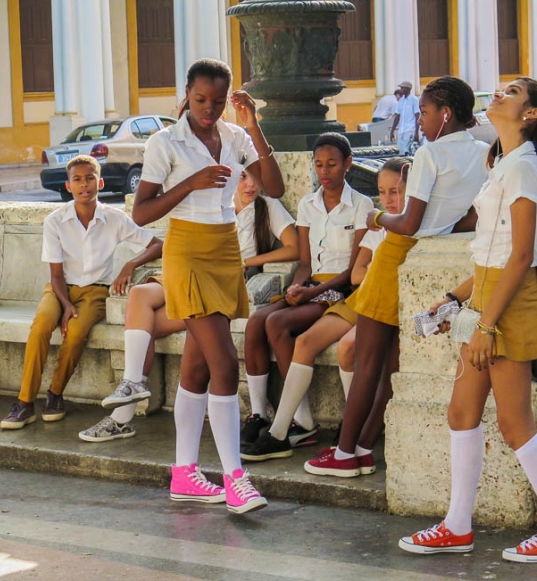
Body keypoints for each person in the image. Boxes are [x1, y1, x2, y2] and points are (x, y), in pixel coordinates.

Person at [398, 78, 537, 564]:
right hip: (486, 299)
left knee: (515, 422)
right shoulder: (499, 162)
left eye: (514, 91)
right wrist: (448, 301)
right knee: (462, 414)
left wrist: (484, 325)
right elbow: (489, 254)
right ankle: (457, 526)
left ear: (532, 114)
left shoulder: (526, 168)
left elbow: (522, 256)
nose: (500, 93)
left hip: (508, 305)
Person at [305, 76, 489, 478]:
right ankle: (364, 448)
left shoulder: (430, 155)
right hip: (434, 254)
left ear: (445, 114)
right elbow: (474, 216)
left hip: (395, 256)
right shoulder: (483, 151)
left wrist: (375, 216)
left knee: (368, 361)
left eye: (424, 112)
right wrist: (441, 228)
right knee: (390, 364)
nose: (419, 120)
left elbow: (406, 222)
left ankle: (343, 454)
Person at [132, 58, 284, 515]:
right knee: (224, 362)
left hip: (223, 250)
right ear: (187, 93)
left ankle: (184, 474)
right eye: (201, 100)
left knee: (197, 368)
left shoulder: (235, 137)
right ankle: (236, 478)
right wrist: (191, 183)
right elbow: (142, 213)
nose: (209, 109)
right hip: (186, 251)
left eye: (218, 101)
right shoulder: (166, 141)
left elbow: (273, 186)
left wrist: (253, 126)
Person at [78, 170, 298, 442]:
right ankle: (132, 386)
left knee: (143, 328)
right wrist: (133, 263)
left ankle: (122, 417)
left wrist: (248, 262)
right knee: (139, 296)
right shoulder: (216, 202)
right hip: (187, 275)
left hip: (218, 288)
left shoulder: (267, 208)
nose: (250, 184)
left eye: (255, 177)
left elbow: (293, 248)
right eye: (242, 176)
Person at [240, 157, 408, 463]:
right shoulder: (362, 219)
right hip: (344, 293)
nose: (387, 199)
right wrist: (300, 285)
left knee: (332, 341)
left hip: (355, 295)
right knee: (282, 332)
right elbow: (346, 271)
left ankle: (343, 427)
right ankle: (279, 429)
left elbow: (354, 275)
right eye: (382, 192)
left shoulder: (377, 212)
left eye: (395, 192)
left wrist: (368, 271)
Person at [0, 155, 162, 430]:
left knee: (75, 334)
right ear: (68, 185)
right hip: (59, 289)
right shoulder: (56, 221)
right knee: (40, 327)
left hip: (96, 293)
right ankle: (25, 403)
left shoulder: (114, 218)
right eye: (77, 179)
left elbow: (157, 244)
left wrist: (130, 264)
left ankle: (55, 395)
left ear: (99, 182)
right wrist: (65, 306)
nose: (84, 185)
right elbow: (55, 274)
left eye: (89, 178)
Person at [390, 81, 419, 154]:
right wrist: (392, 130)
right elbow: (397, 116)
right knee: (401, 151)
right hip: (401, 130)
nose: (401, 90)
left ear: (408, 89)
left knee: (408, 151)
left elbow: (417, 116)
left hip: (410, 129)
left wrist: (416, 132)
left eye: (402, 88)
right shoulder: (401, 101)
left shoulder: (414, 100)